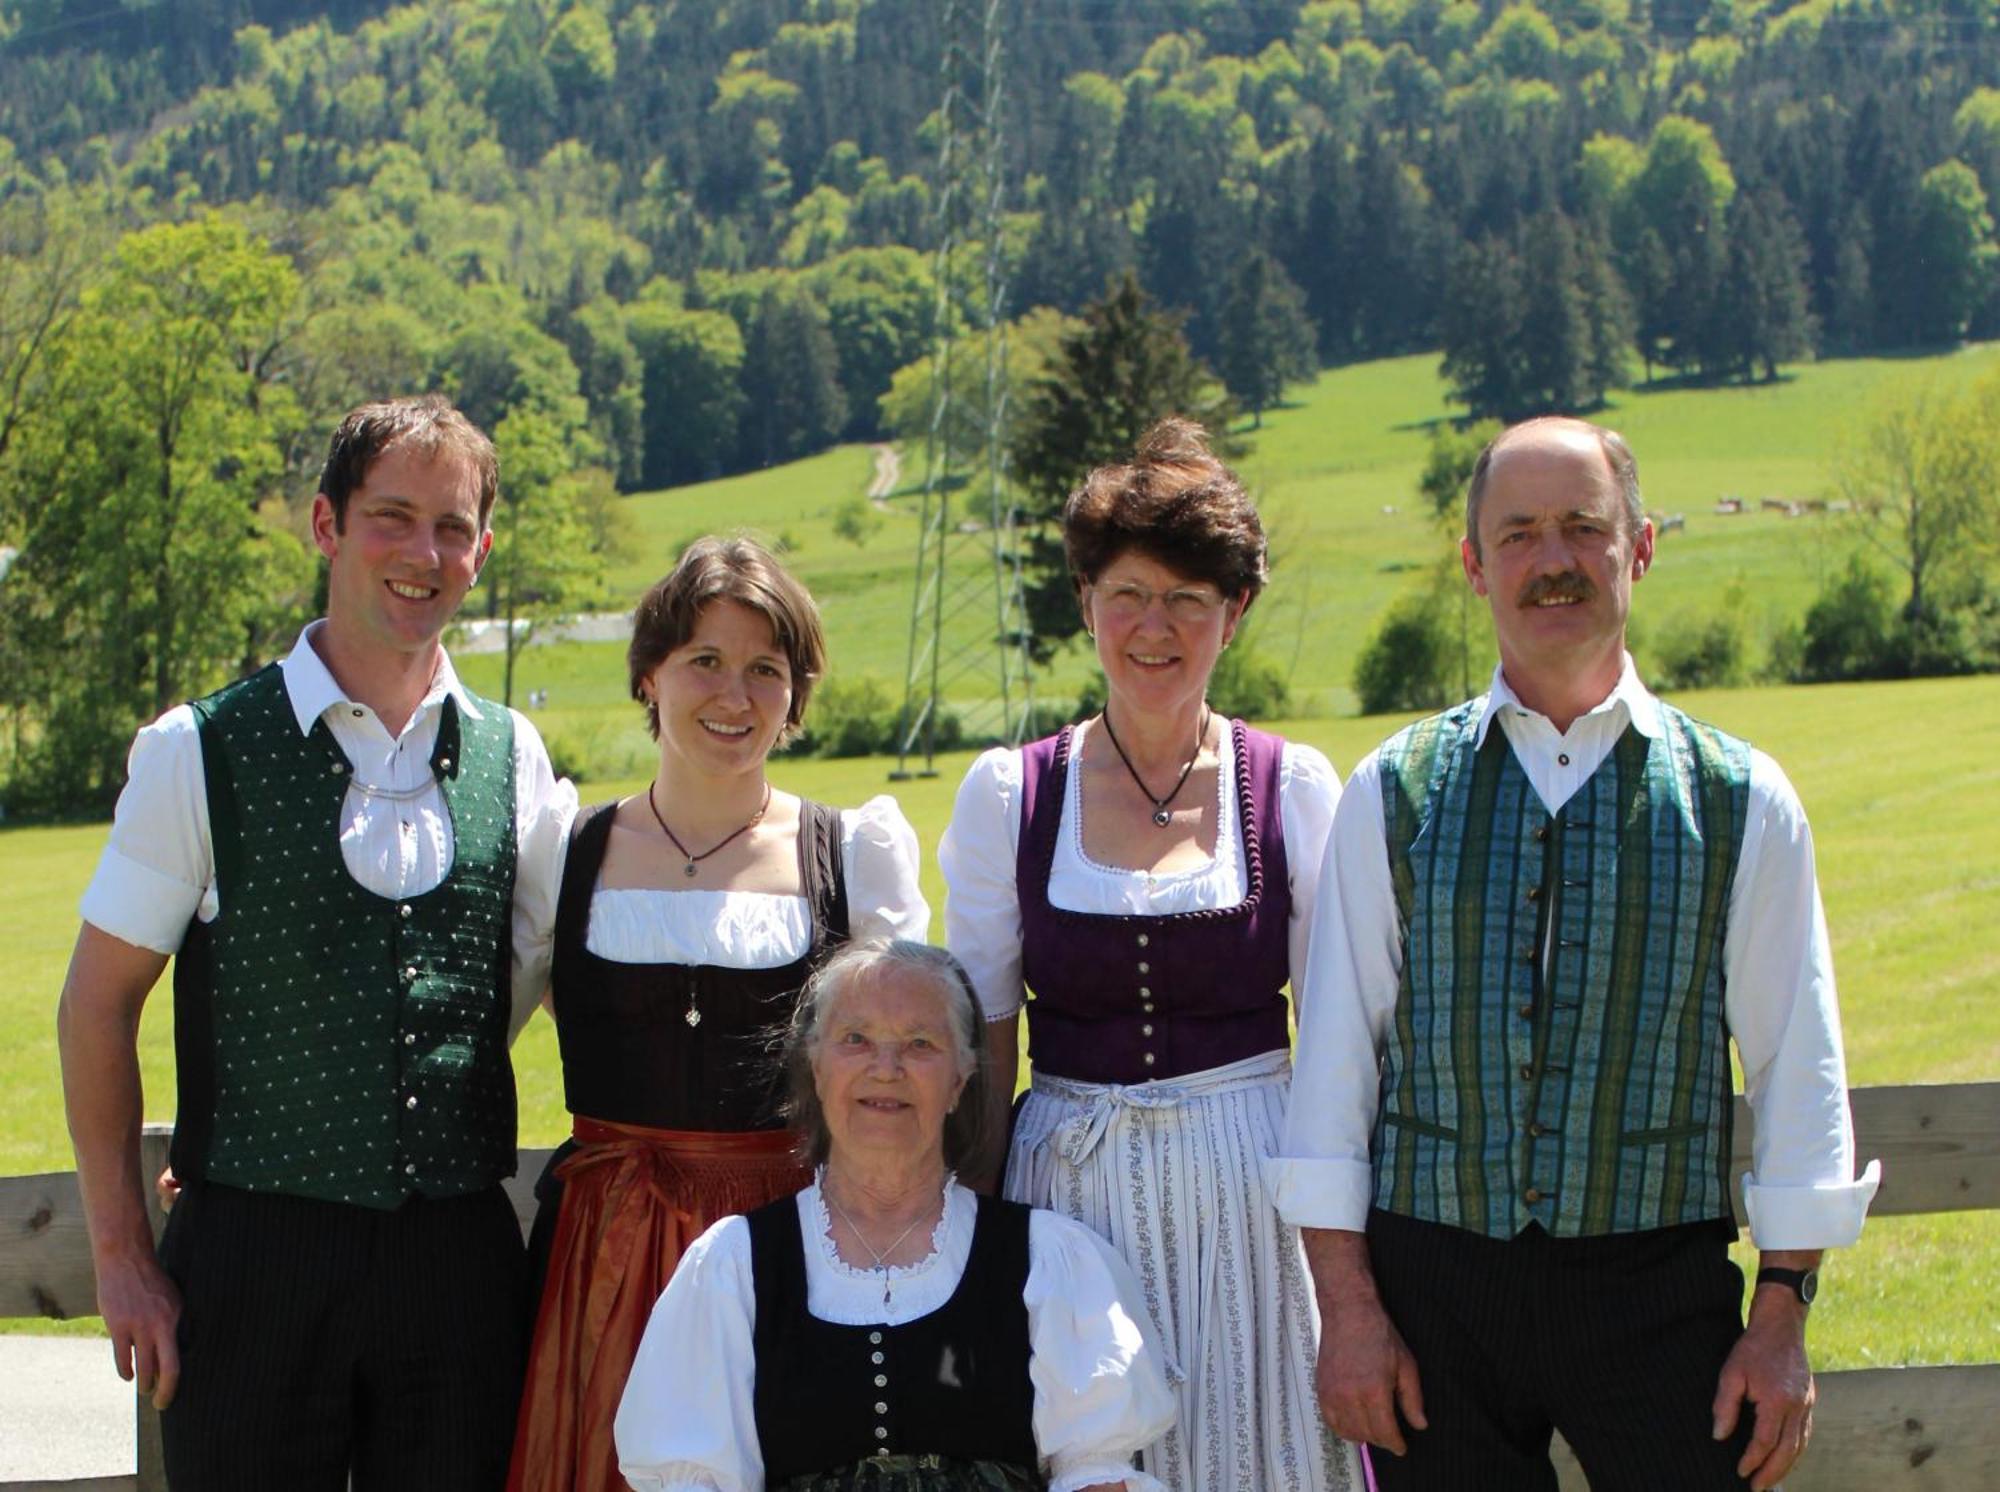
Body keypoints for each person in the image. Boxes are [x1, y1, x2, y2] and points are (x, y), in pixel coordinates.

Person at [1272, 416, 1881, 1491]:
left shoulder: (1738, 799)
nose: (1550, 560)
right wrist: (1349, 1311)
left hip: (1657, 1288)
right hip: (1431, 1293)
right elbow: (1333, 1066)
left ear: (1637, 547)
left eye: (1579, 528)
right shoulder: (1393, 788)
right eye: (1516, 534)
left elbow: (1797, 1066)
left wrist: (1781, 1315)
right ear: (1473, 565)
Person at [56, 395, 574, 1488]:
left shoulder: (513, 759)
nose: (423, 552)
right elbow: (97, 1005)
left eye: (452, 526)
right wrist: (120, 1257)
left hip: (457, 1261)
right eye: (392, 516)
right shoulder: (198, 750)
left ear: (480, 550)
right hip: (253, 1257)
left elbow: (539, 980)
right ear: (326, 525)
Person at [939, 419, 1360, 1491]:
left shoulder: (1293, 786)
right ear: (1084, 602)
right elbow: (984, 1046)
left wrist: (1350, 1277)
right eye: (1127, 592)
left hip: (1253, 1201)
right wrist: (975, 1260)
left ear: (1234, 612)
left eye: (1187, 598)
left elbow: (1338, 1051)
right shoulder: (1011, 794)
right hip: (1073, 1203)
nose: (1153, 625)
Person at [508, 536, 929, 1492]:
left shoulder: (848, 854)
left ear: (796, 697)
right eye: (705, 660)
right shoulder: (567, 850)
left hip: (789, 1253)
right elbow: (465, 1048)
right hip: (605, 1253)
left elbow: (915, 1077)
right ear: (649, 675)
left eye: (764, 670)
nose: (733, 697)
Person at [614, 938, 1175, 1492]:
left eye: (920, 1043)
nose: (886, 1068)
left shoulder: (1046, 1262)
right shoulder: (735, 1267)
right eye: (855, 1040)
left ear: (959, 1078)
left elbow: (1095, 1478)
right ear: (814, 1064)